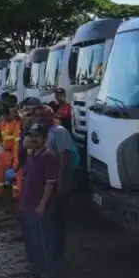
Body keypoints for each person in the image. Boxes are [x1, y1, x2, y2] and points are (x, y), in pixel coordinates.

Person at [18, 123, 61, 278]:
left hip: (39, 207)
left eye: (37, 136)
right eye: (31, 136)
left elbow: (50, 183)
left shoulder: (48, 157)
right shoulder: (31, 155)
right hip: (27, 205)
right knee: (31, 240)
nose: (33, 139)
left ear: (45, 138)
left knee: (43, 241)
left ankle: (47, 275)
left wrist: (42, 204)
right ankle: (35, 271)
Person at [37, 105, 78, 268]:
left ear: (52, 115)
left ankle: (58, 255)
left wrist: (60, 184)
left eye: (44, 115)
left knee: (57, 219)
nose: (40, 118)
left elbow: (63, 159)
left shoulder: (59, 132)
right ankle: (50, 251)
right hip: (48, 182)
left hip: (58, 182)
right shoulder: (44, 132)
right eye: (38, 115)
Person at [0, 106, 23, 199]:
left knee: (14, 172)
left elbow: (17, 142)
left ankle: (16, 195)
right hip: (3, 152)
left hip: (13, 152)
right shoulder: (2, 122)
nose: (6, 116)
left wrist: (16, 156)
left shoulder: (18, 123)